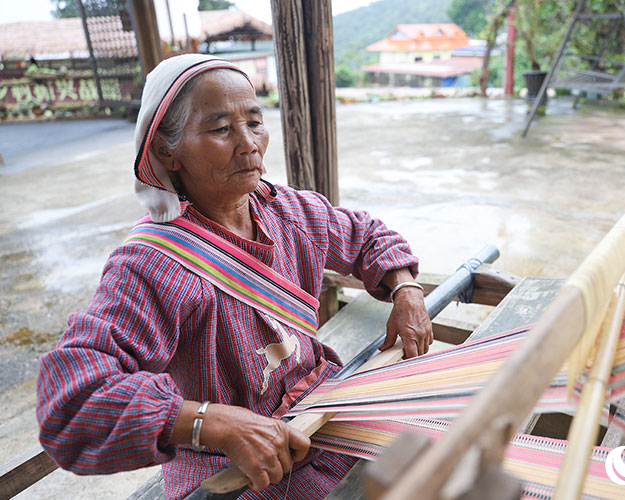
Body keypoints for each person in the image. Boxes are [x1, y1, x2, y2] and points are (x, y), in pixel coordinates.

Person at [36, 54, 433, 500]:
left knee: (451, 459)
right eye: (221, 129)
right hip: (235, 471)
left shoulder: (288, 212)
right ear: (168, 151)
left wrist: (405, 287)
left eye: (255, 122)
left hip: (326, 416)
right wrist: (212, 423)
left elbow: (366, 234)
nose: (249, 144)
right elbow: (72, 404)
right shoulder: (151, 265)